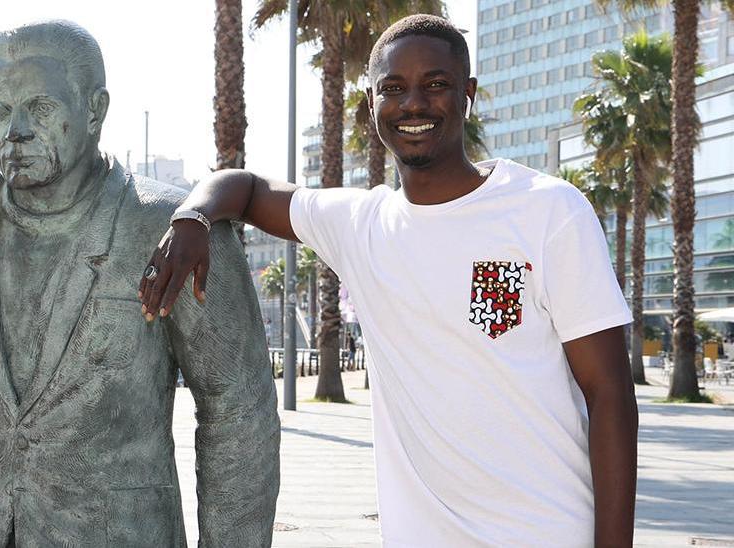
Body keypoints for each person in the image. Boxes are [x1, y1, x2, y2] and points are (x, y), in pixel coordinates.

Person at [140, 14, 638, 547]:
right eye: (394, 88)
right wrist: (191, 218)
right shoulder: (360, 225)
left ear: (467, 94)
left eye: (436, 85)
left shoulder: (547, 211)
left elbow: (609, 393)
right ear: (372, 104)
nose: (414, 104)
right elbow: (244, 186)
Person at [0, 20, 279, 547]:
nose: (15, 130)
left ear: (94, 109)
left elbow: (238, 409)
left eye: (40, 108)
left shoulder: (175, 229)